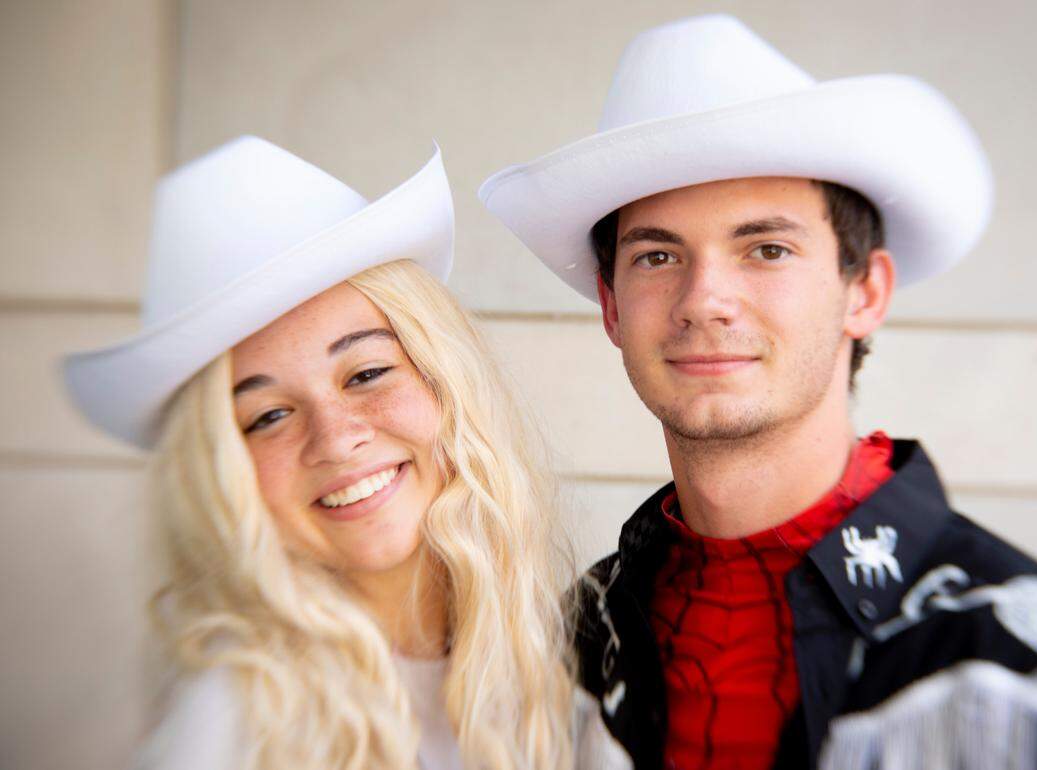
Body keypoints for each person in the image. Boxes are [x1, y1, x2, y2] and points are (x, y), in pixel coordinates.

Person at [479, 14, 1037, 770]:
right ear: (613, 307)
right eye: (657, 255)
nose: (704, 299)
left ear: (865, 291)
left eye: (767, 249)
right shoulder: (571, 645)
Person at [64, 137, 631, 770]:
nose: (334, 439)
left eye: (365, 374)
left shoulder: (556, 677)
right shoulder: (236, 723)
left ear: (447, 384)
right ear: (225, 474)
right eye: (269, 416)